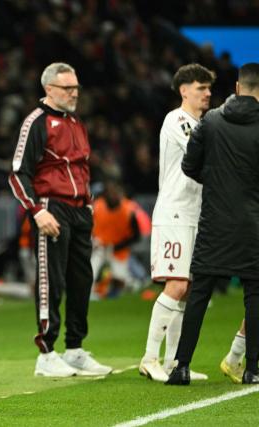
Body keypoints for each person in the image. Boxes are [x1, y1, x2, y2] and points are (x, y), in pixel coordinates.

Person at [8, 62, 111, 377]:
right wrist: (37, 212)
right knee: (51, 282)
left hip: (80, 210)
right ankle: (46, 353)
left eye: (76, 87)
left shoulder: (76, 121)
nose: (74, 93)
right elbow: (17, 173)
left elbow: (81, 167)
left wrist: (89, 204)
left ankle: (75, 349)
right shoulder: (36, 122)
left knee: (82, 282)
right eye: (67, 88)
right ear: (49, 89)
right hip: (52, 208)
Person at [167, 63, 259, 385]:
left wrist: (219, 182)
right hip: (252, 222)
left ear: (237, 87)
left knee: (199, 293)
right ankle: (251, 370)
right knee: (255, 293)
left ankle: (181, 367)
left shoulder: (211, 120)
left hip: (213, 221)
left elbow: (189, 166)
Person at [138, 64, 215, 382]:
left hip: (194, 213)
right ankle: (149, 358)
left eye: (209, 88)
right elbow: (203, 158)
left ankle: (172, 362)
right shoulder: (177, 120)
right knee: (177, 284)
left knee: (187, 288)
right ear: (184, 90)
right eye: (201, 88)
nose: (207, 93)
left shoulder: (204, 123)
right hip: (174, 213)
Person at [91, 178, 148, 297]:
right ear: (105, 194)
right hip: (99, 246)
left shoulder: (129, 210)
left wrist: (117, 246)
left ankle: (131, 282)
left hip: (118, 250)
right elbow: (87, 226)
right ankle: (92, 291)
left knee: (120, 280)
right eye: (110, 192)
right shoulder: (97, 206)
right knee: (91, 271)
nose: (113, 195)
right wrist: (93, 240)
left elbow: (136, 236)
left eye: (115, 191)